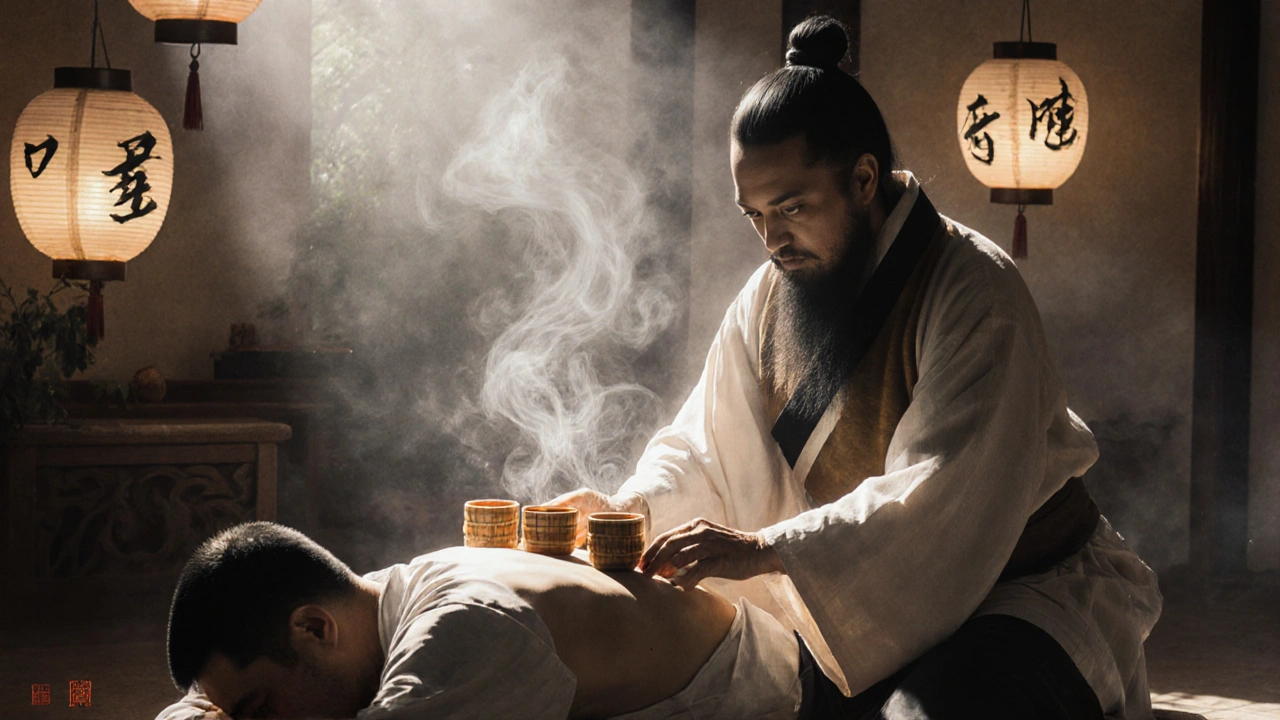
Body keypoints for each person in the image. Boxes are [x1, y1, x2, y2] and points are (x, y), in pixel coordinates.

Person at [549, 15, 1162, 720]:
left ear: (865, 178)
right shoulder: (769, 298)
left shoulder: (974, 291)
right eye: (753, 214)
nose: (772, 238)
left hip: (1026, 589)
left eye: (793, 207)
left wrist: (764, 546)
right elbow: (704, 448)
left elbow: (936, 495)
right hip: (882, 586)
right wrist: (633, 509)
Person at [152, 521, 803, 720]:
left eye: (262, 709)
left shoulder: (460, 634)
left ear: (314, 630)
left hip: (770, 699)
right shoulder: (371, 601)